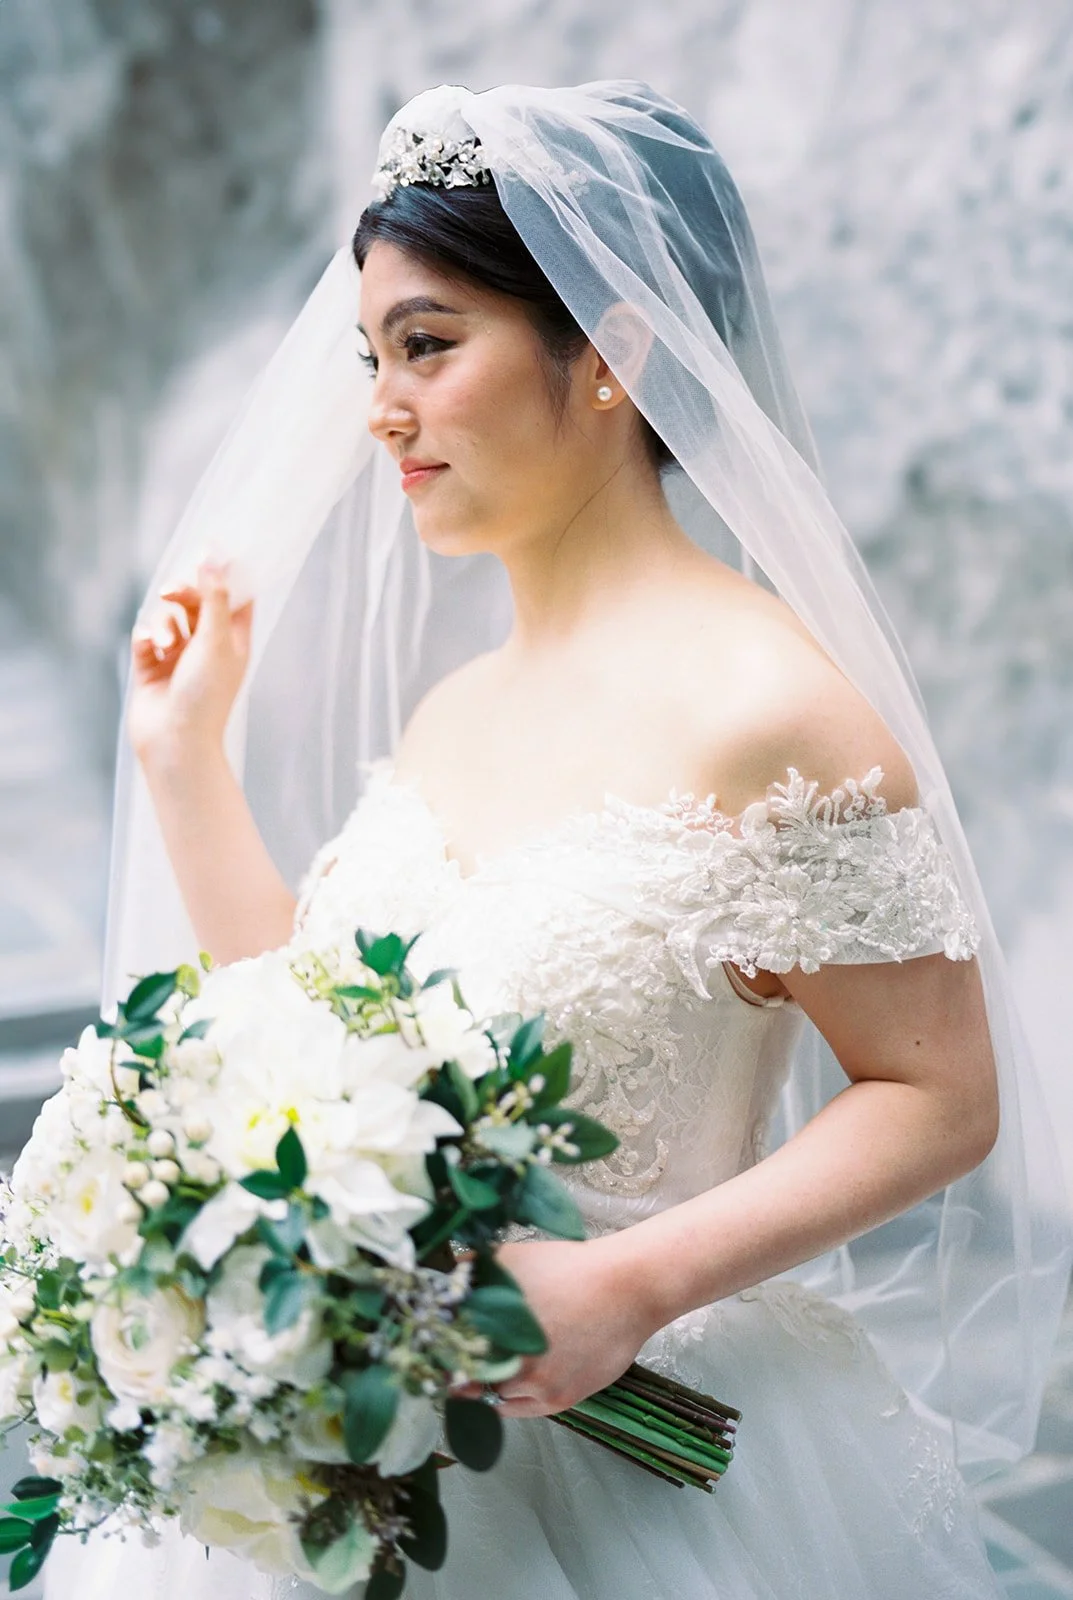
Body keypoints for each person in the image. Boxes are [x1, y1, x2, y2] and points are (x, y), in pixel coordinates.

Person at [46, 81, 1071, 1599]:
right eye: (372, 355)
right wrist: (182, 757)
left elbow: (938, 1093)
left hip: (648, 1482)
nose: (380, 408)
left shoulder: (771, 708)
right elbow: (317, 1046)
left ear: (610, 352)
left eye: (430, 345)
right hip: (382, 1467)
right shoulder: (459, 708)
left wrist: (626, 1285)